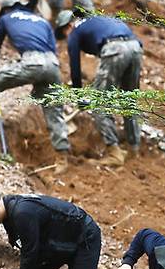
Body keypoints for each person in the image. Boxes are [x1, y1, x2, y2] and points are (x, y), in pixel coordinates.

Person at [0, 0, 71, 173]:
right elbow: (52, 49)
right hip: (52, 65)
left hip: (32, 62)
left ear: (5, 10)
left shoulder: (7, 18)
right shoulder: (42, 21)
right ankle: (62, 158)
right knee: (54, 112)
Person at [56, 10, 142, 166]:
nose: (66, 37)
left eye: (64, 33)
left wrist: (78, 96)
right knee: (129, 101)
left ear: (67, 26)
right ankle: (134, 147)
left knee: (98, 105)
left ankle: (114, 154)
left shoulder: (75, 31)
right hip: (135, 47)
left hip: (114, 49)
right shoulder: (95, 21)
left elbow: (75, 67)